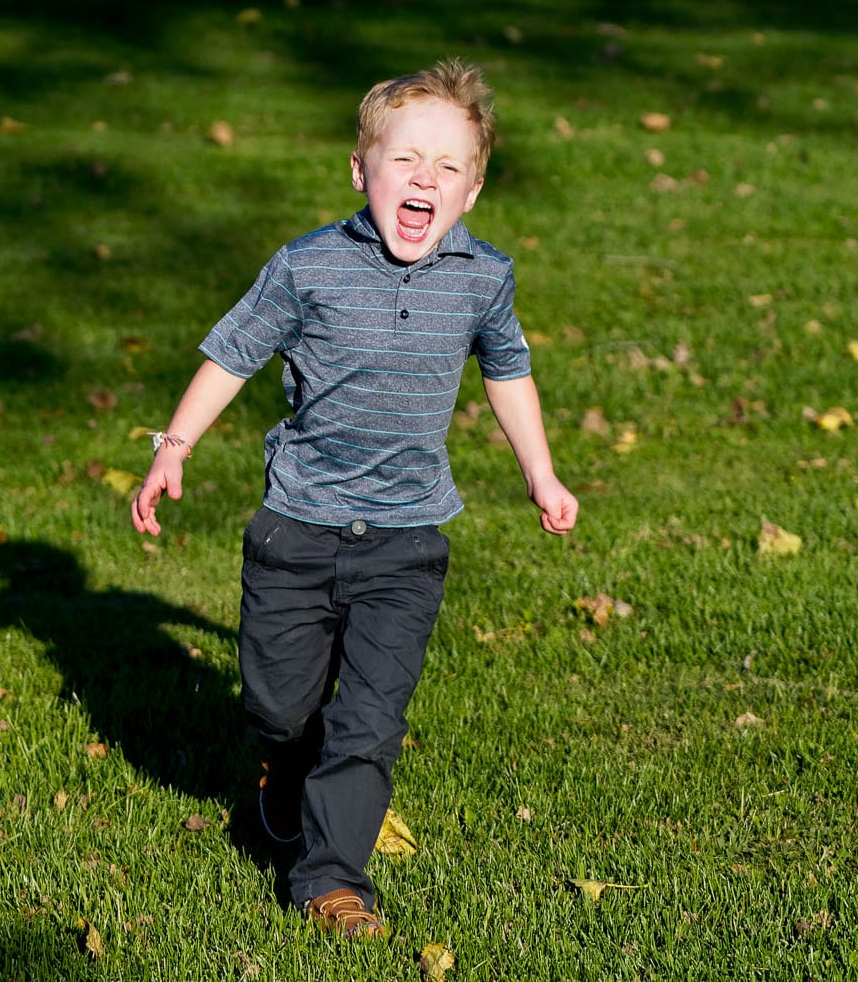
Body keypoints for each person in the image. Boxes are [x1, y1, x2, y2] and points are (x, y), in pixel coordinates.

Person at [130, 58, 578, 939]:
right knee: (278, 707)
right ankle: (281, 780)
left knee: (369, 720)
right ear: (360, 170)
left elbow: (509, 369)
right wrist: (172, 448)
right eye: (405, 159)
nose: (425, 179)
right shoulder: (307, 267)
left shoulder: (484, 277)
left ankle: (333, 880)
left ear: (473, 190)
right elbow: (233, 355)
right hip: (296, 529)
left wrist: (541, 471)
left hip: (406, 543)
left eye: (448, 167)